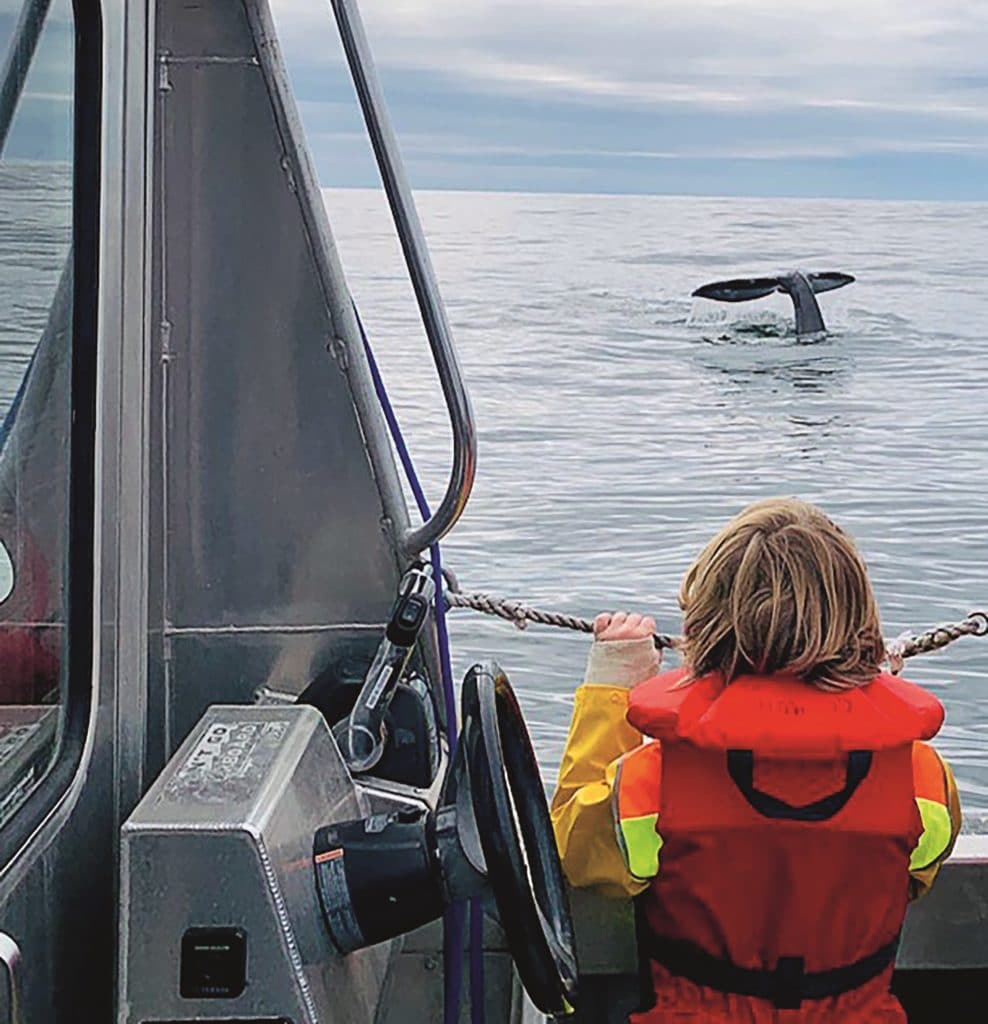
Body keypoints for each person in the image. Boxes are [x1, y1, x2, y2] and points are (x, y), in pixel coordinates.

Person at [551, 497, 961, 1023]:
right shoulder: (919, 776)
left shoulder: (655, 781)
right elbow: (918, 869)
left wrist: (612, 687)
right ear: (860, 622)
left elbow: (575, 851)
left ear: (706, 628)